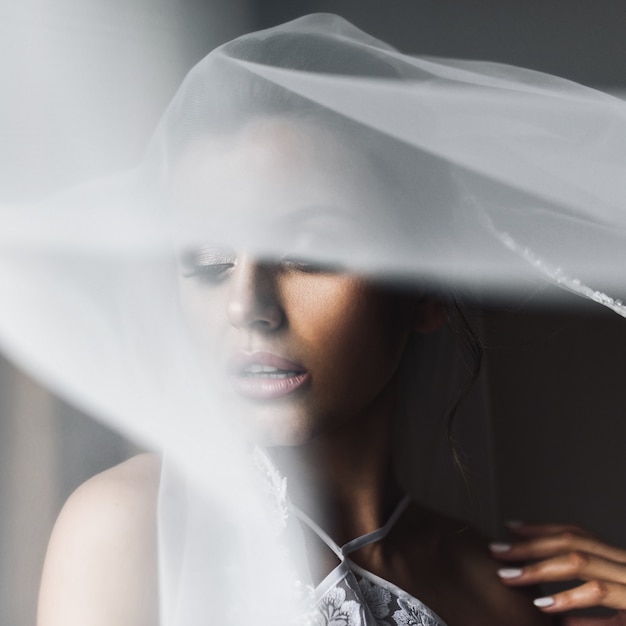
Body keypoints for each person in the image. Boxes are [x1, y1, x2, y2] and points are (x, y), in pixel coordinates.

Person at [33, 14, 626, 626]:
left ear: (420, 286)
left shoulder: (502, 592)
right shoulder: (130, 529)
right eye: (208, 264)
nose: (245, 306)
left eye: (307, 255)